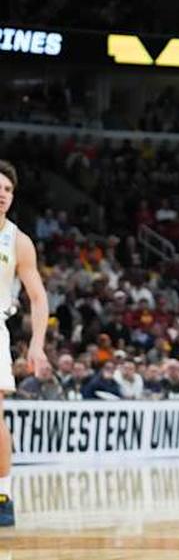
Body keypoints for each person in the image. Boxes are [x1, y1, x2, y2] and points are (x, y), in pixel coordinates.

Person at [0, 161, 50, 527]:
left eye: (7, 190)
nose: (2, 195)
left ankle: (2, 495)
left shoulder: (18, 241)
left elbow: (38, 297)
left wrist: (37, 344)